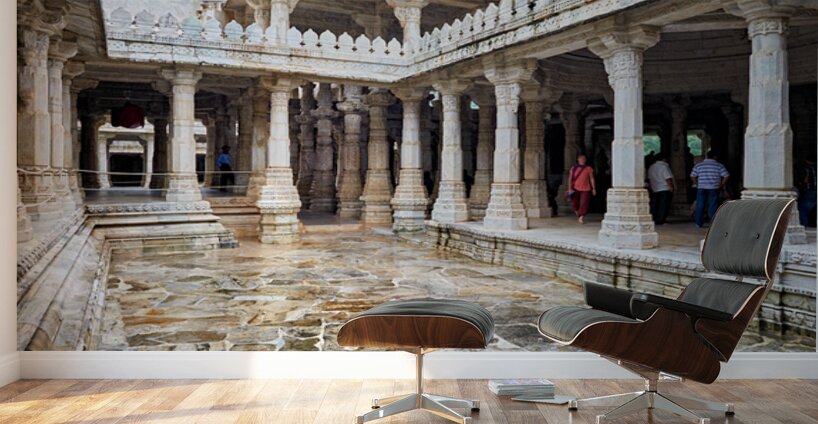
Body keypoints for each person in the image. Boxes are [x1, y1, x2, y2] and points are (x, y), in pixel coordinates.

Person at [690, 151, 729, 228]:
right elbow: (726, 175)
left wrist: (697, 183)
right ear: (715, 157)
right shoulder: (719, 165)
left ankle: (698, 223)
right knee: (713, 205)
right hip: (713, 188)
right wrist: (721, 184)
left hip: (701, 187)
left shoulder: (698, 165)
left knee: (700, 205)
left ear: (706, 156)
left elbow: (692, 176)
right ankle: (713, 223)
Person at [567, 154, 596, 224]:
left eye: (584, 159)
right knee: (574, 203)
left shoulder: (588, 168)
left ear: (585, 160)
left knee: (584, 203)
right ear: (578, 159)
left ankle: (581, 217)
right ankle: (578, 213)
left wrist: (594, 188)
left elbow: (592, 178)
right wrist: (569, 188)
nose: (582, 160)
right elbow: (570, 179)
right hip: (575, 187)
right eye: (581, 158)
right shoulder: (574, 168)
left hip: (586, 188)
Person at [647, 153, 674, 225]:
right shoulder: (664, 167)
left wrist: (651, 187)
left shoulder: (651, 167)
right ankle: (661, 220)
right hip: (664, 188)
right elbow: (668, 178)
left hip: (655, 188)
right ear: (664, 159)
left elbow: (649, 179)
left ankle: (654, 219)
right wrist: (671, 187)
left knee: (655, 205)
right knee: (663, 205)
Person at [797, 158, 817, 227]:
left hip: (811, 190)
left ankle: (804, 225)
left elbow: (805, 180)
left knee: (803, 210)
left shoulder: (808, 169)